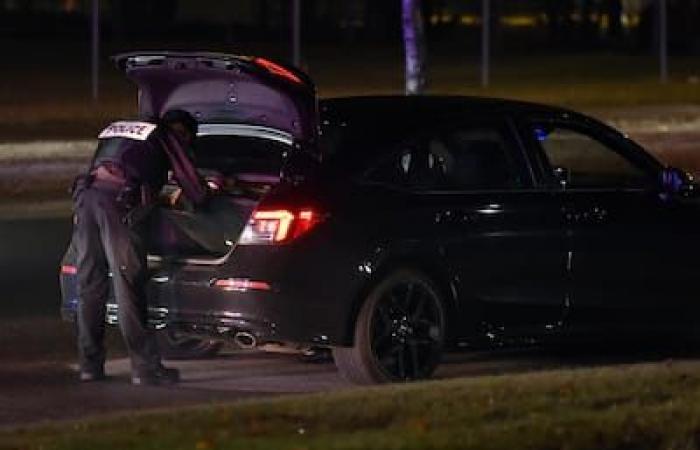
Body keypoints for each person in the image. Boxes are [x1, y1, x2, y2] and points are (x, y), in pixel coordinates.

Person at [72, 109, 208, 385]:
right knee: (128, 286)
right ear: (181, 130)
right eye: (188, 140)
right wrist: (201, 198)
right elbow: (194, 189)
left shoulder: (120, 128)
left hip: (86, 200)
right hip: (118, 207)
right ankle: (145, 368)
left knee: (90, 284)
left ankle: (90, 365)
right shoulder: (165, 135)